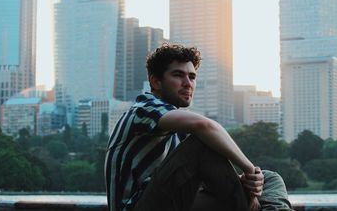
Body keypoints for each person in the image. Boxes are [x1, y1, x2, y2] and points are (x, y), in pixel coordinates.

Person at [105, 43, 293, 211]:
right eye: (178, 75)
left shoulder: (175, 132)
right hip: (138, 206)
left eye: (192, 77)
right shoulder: (144, 109)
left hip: (175, 202)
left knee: (268, 178)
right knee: (202, 142)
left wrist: (248, 183)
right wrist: (249, 169)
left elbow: (201, 180)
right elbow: (203, 125)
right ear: (155, 81)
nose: (188, 84)